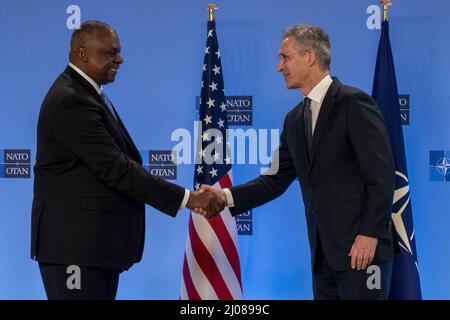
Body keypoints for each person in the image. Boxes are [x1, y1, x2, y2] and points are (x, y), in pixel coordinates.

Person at [199, 24, 396, 299]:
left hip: (363, 253)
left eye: (285, 57)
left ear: (310, 56)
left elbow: (381, 174)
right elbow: (275, 180)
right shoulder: (294, 120)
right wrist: (224, 197)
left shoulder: (354, 103)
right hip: (323, 258)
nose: (279, 67)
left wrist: (370, 234)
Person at [31, 20, 222, 300]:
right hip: (75, 250)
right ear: (82, 54)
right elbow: (116, 168)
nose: (119, 59)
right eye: (110, 53)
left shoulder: (87, 94)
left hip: (94, 250)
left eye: (117, 51)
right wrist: (189, 199)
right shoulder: (70, 100)